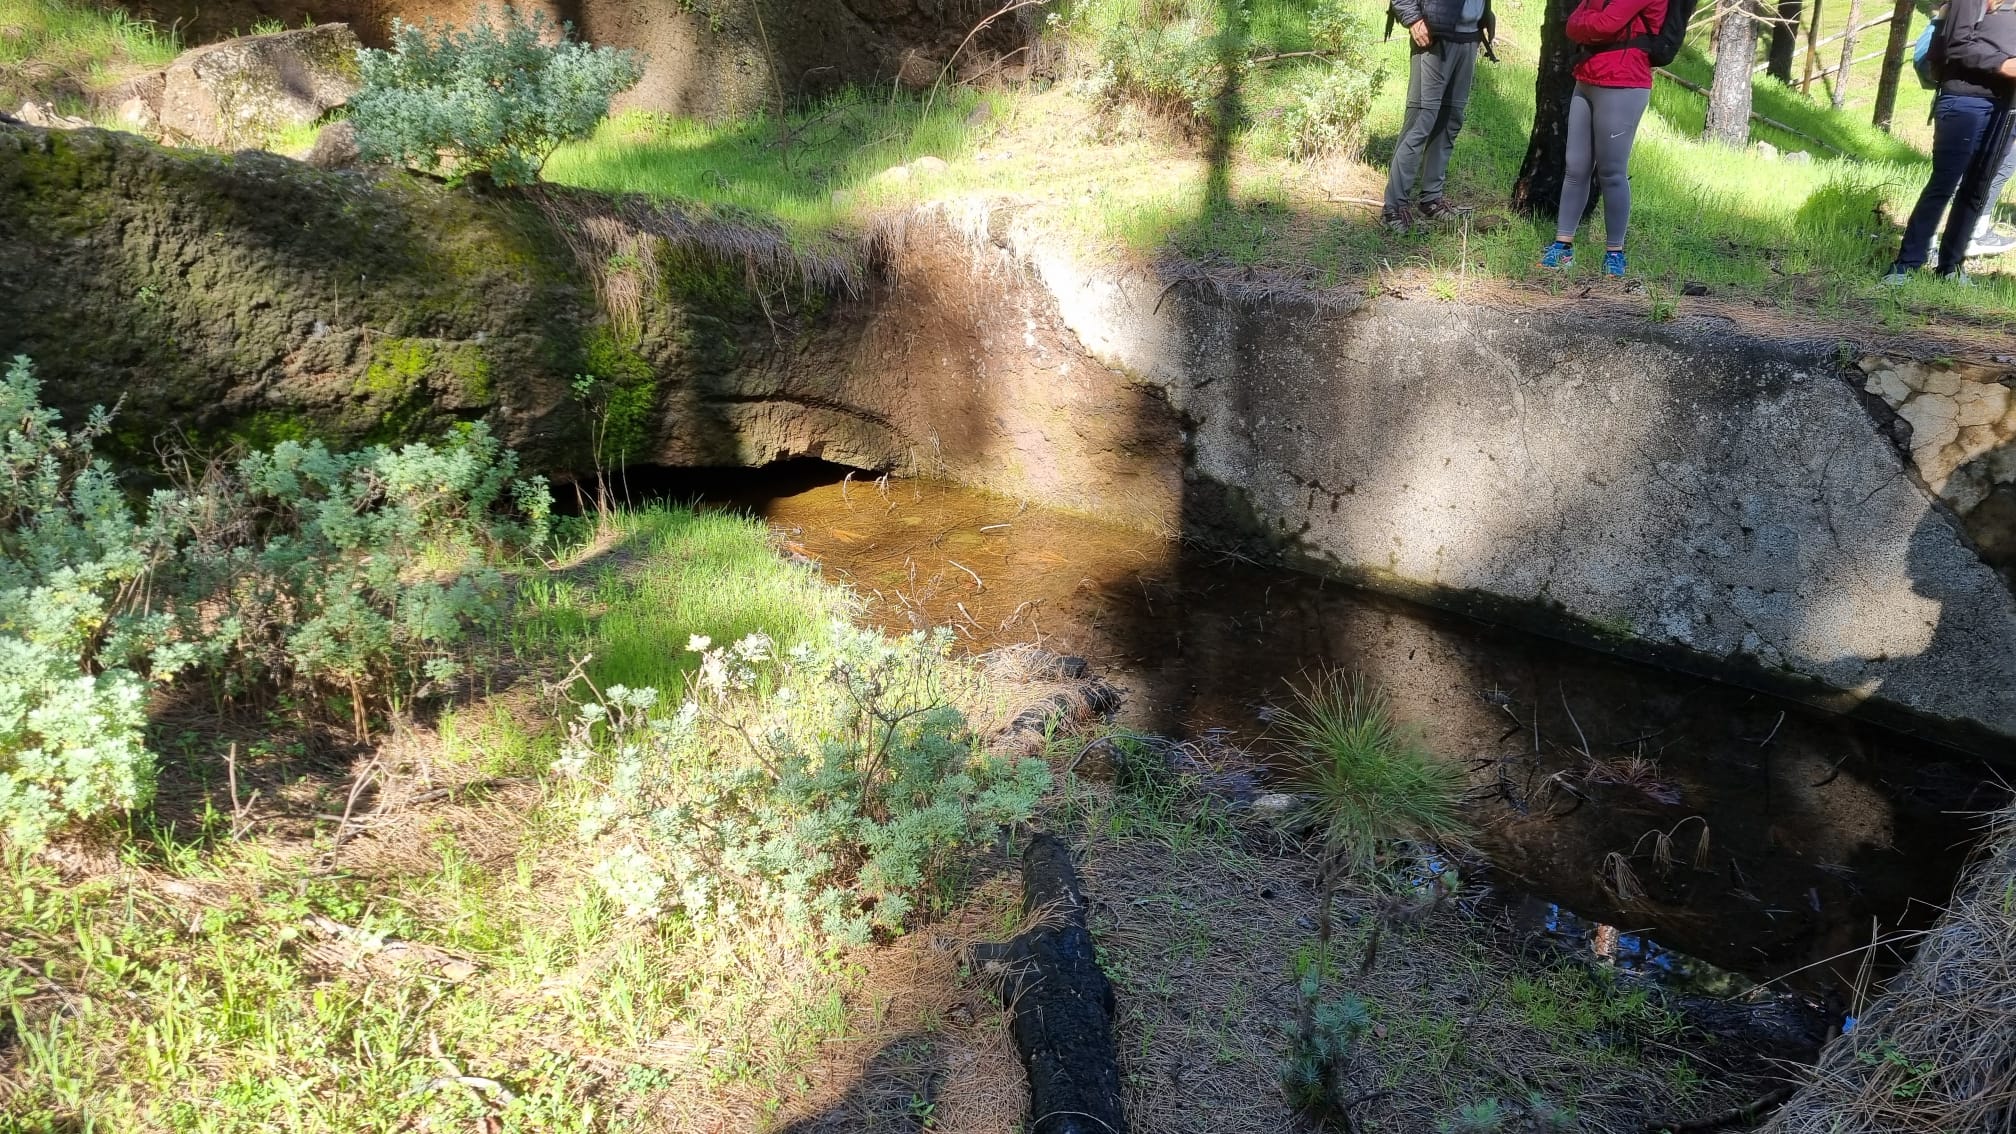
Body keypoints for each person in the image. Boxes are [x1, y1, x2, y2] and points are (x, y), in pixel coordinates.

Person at [1883, 0, 2016, 283]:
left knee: (1977, 188)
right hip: (1965, 100)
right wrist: (2002, 64)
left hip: (2006, 107)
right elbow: (1957, 45)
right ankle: (1906, 264)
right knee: (1944, 183)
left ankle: (1951, 266)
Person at [1537, 0, 1668, 278]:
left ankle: (1614, 254)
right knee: (1576, 167)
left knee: (1611, 172)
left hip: (1623, 82)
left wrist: (1592, 23)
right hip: (1586, 79)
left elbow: (1605, 24)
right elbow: (1573, 25)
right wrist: (1593, 24)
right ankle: (1562, 247)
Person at [1381, 0, 1497, 232]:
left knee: (1450, 121)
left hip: (1468, 37)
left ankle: (1431, 200)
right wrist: (1412, 17)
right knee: (1421, 121)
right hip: (1433, 37)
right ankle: (1394, 207)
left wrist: (1485, 14)